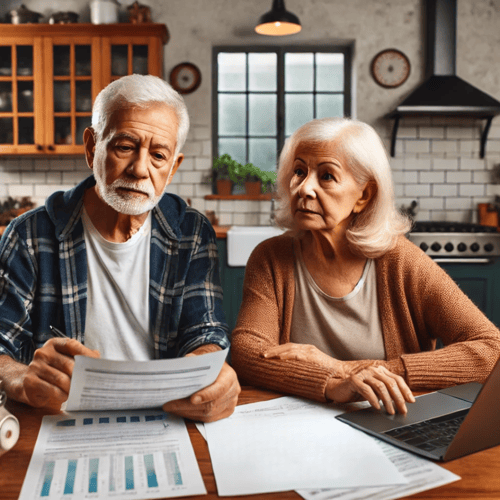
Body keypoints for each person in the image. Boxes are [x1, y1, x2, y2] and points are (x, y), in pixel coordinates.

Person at [0, 74, 240, 422]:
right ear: (91, 147)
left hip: (165, 418)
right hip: (60, 419)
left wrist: (207, 369)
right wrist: (21, 378)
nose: (140, 169)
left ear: (173, 168)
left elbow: (205, 331)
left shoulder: (192, 231)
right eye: (125, 147)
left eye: (158, 155)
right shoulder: (30, 234)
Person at [231, 117, 500, 415]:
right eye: (299, 171)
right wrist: (334, 382)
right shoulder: (270, 257)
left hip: (390, 421)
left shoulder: (400, 261)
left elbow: (490, 350)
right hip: (301, 426)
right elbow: (247, 353)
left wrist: (340, 367)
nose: (304, 188)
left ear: (364, 195)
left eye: (327, 176)